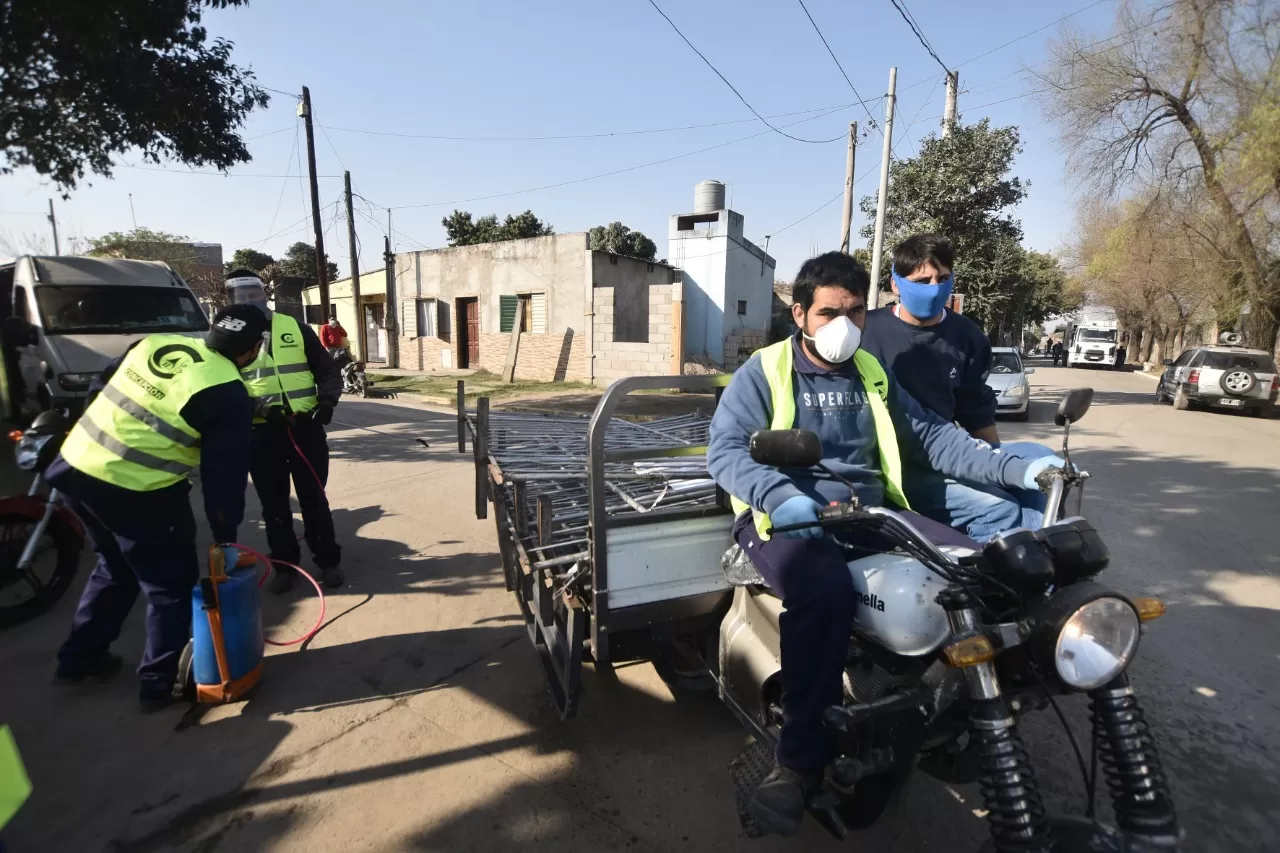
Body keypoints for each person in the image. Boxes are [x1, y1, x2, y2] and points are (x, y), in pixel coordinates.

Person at [707, 251, 1064, 836]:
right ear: (799, 314)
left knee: (977, 570)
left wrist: (1008, 468)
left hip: (870, 511)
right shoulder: (765, 370)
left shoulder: (872, 372)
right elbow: (724, 451)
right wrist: (778, 496)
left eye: (853, 311)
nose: (842, 325)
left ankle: (967, 704)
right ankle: (796, 762)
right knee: (822, 594)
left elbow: (931, 437)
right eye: (827, 313)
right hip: (788, 517)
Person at [49, 305, 267, 711]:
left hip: (76, 467)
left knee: (113, 567)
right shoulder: (228, 392)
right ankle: (157, 684)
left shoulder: (156, 343)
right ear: (254, 348)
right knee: (168, 586)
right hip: (137, 492)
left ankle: (77, 660)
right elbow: (224, 478)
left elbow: (100, 386)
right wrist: (225, 537)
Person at [860, 233, 1054, 541]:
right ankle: (984, 580)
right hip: (893, 462)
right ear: (896, 284)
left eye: (943, 278)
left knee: (1037, 466)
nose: (934, 288)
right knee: (999, 508)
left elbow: (976, 414)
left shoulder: (967, 337)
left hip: (944, 451)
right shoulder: (865, 332)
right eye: (922, 281)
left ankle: (1039, 559)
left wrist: (999, 464)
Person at [224, 271, 345, 592]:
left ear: (265, 294)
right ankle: (285, 567)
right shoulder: (227, 340)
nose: (250, 301)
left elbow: (328, 371)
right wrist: (262, 410)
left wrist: (327, 403)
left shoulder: (295, 327)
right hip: (262, 435)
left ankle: (329, 561)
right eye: (242, 296)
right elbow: (225, 390)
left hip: (306, 429)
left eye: (254, 294)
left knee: (314, 499)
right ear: (231, 300)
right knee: (275, 506)